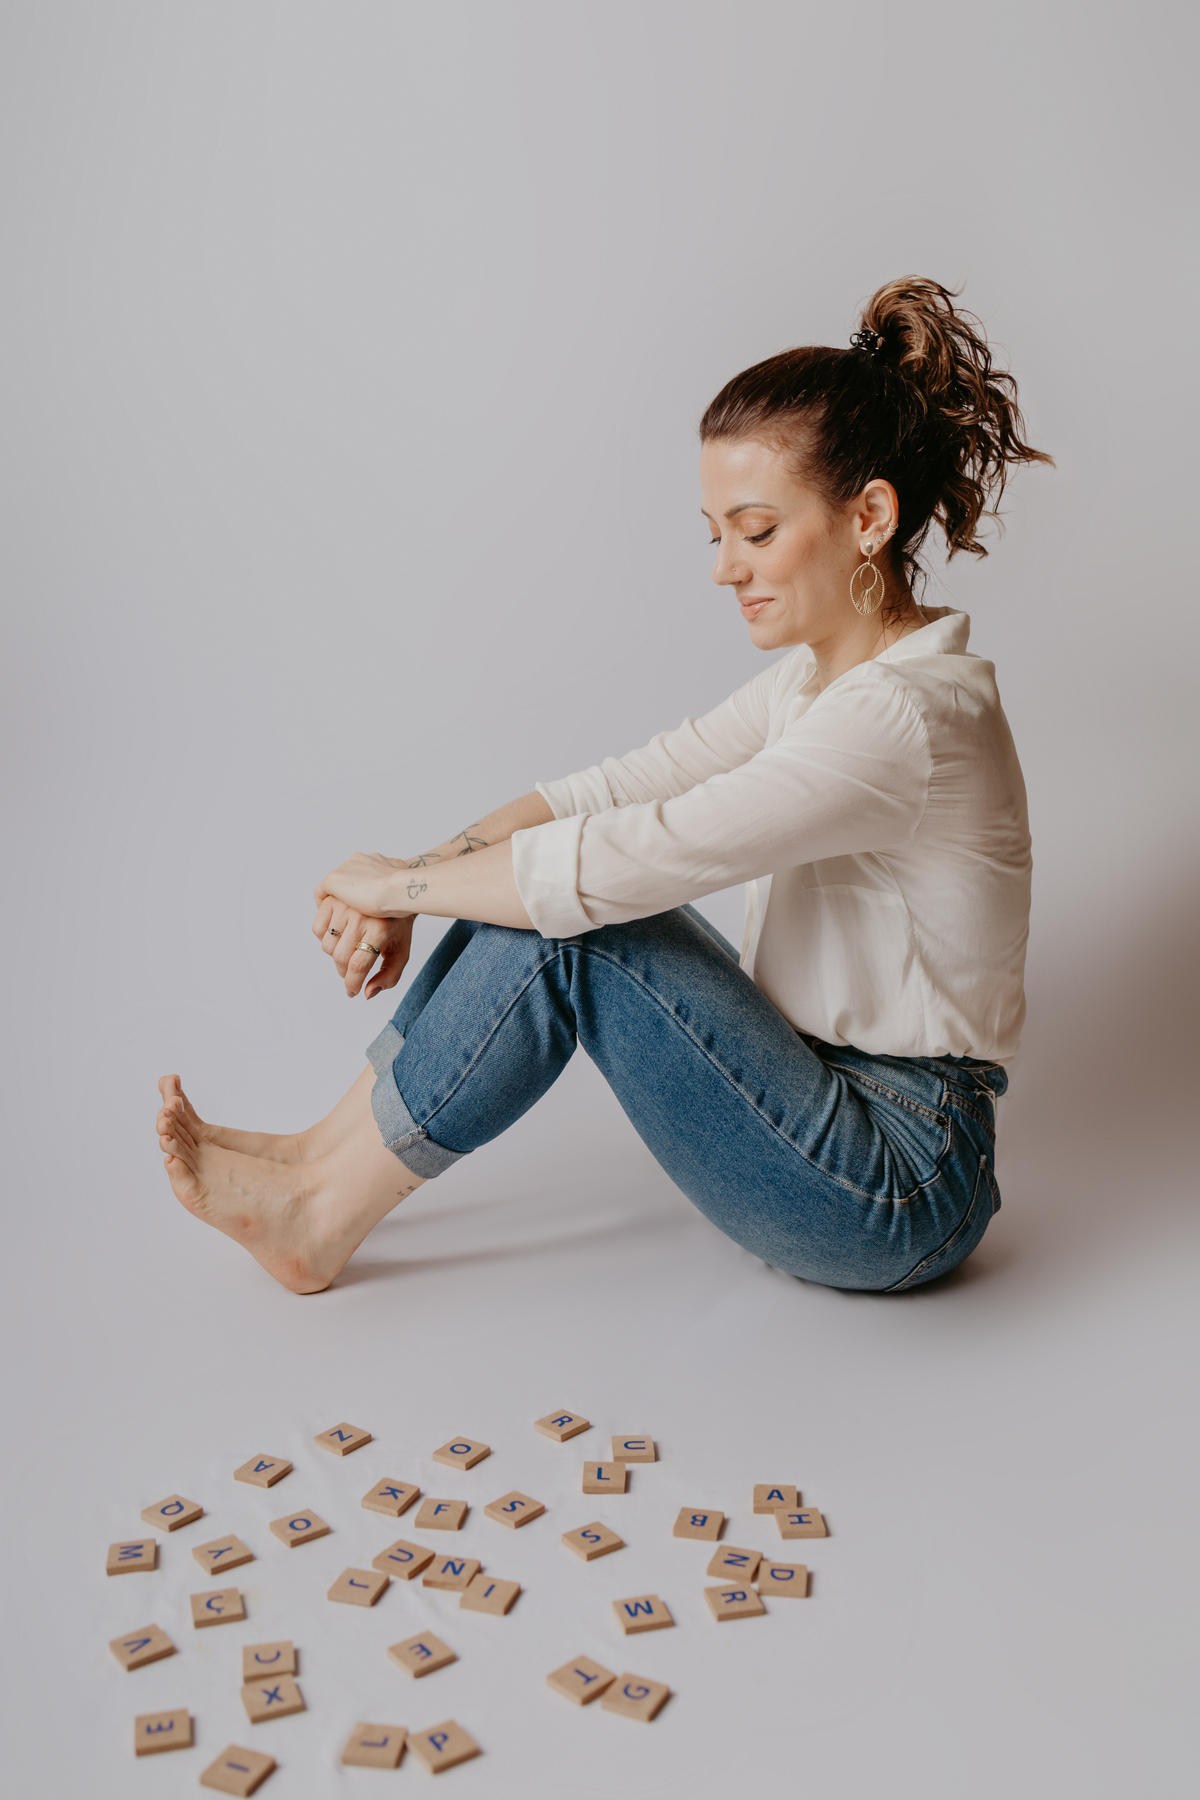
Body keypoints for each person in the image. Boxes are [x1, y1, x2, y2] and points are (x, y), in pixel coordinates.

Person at [157, 276, 1051, 1297]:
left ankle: (318, 1212)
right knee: (547, 883)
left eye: (756, 531)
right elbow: (611, 791)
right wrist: (417, 870)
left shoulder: (902, 717)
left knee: (584, 915)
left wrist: (395, 891)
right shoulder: (820, 681)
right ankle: (315, 1159)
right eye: (714, 533)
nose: (725, 568)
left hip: (895, 1179)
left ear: (869, 518)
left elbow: (630, 857)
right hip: (820, 1107)